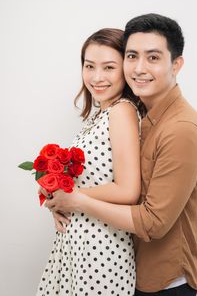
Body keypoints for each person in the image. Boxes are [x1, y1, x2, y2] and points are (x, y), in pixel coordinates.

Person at [46, 14, 197, 296]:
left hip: (163, 281)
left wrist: (76, 201)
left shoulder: (181, 130)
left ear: (176, 64)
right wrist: (61, 197)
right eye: (132, 56)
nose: (139, 68)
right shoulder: (141, 113)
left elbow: (152, 223)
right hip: (126, 266)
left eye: (153, 58)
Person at [37, 28, 143, 296]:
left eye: (109, 67)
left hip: (101, 250)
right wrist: (55, 196)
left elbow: (128, 190)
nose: (97, 77)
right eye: (89, 66)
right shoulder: (101, 114)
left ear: (126, 70)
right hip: (80, 245)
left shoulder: (122, 111)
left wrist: (69, 197)